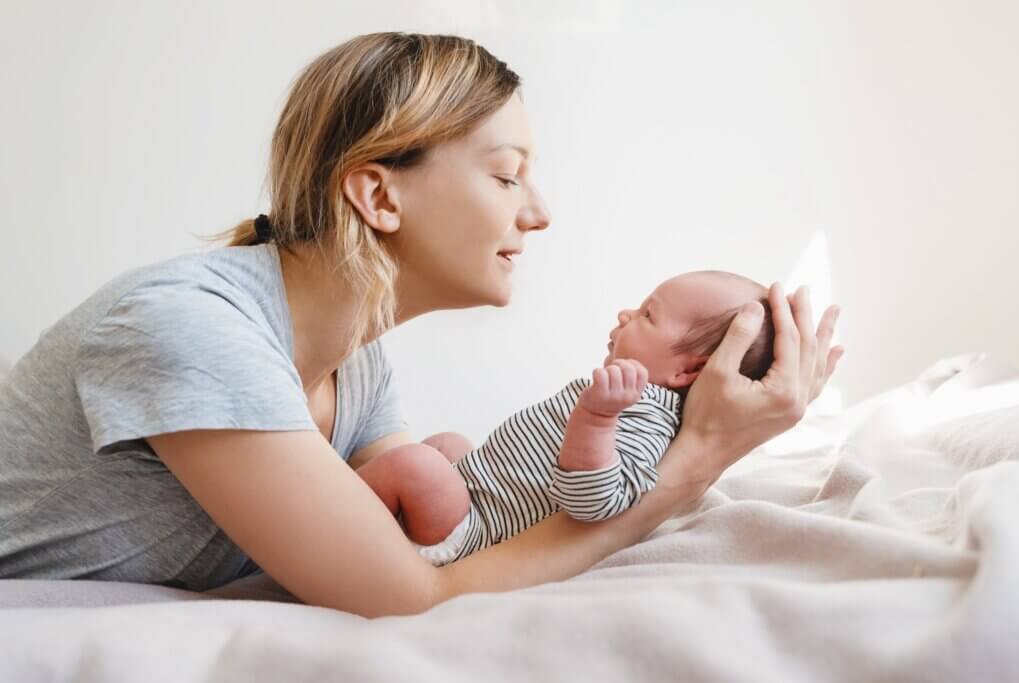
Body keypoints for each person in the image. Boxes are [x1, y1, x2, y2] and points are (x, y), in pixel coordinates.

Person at [0, 33, 842, 617]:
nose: (540, 213)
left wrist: (679, 420)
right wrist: (696, 460)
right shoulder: (194, 330)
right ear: (378, 194)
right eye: (508, 177)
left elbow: (434, 546)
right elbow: (412, 597)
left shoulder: (355, 370)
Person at [355, 271, 779, 565]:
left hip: (481, 537)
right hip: (477, 498)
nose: (625, 314)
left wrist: (596, 418)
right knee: (447, 446)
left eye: (649, 315)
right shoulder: (632, 399)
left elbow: (594, 502)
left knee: (417, 465)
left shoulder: (652, 421)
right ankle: (381, 518)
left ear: (687, 372)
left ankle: (338, 512)